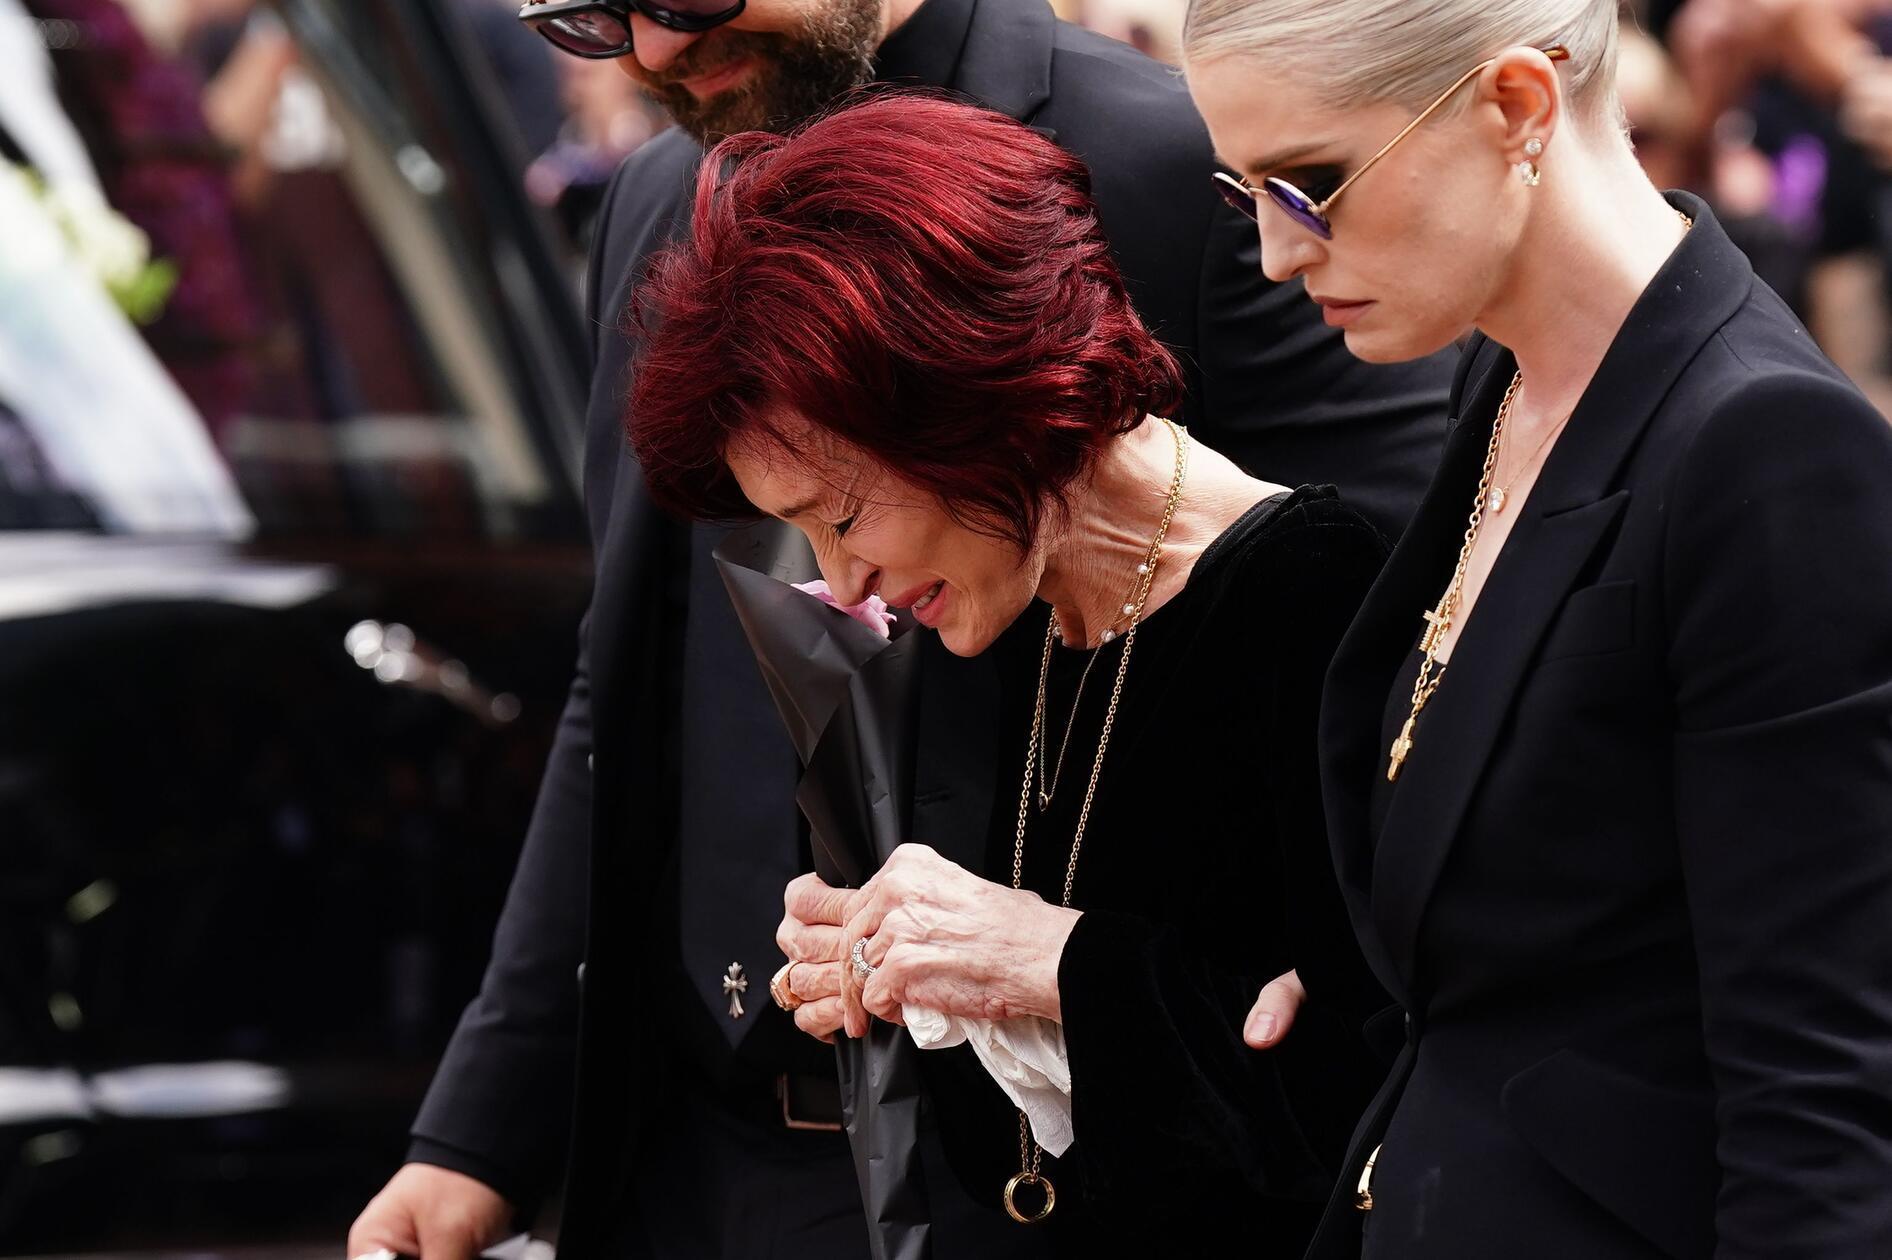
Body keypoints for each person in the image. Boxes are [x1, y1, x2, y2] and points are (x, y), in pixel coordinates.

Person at [348, 0, 1454, 1255]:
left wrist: (1040, 970)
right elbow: (626, 690)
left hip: (1035, 1191)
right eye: (590, 18)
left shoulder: (1176, 170)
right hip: (703, 1153)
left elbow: (1394, 689)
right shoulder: (656, 201)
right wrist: (480, 1134)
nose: (652, 53)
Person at [1179, 0, 1892, 1256]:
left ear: (1513, 106)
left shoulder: (1768, 452)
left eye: (1308, 185)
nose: (1279, 260)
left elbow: (1821, 1092)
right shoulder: (1500, 372)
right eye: (1248, 197)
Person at [628, 91, 1392, 1256]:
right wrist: (909, 980)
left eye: (839, 514)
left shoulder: (1316, 599)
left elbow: (1354, 1093)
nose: (843, 581)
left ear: (969, 400)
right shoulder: (997, 607)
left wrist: (1041, 961)